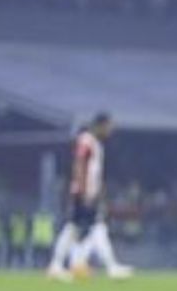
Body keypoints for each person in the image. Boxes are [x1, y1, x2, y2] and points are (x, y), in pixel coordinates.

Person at [46, 112, 133, 280]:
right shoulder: (86, 140)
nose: (110, 131)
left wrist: (97, 192)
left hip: (89, 193)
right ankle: (109, 267)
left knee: (83, 227)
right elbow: (79, 164)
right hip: (83, 193)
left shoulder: (95, 143)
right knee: (84, 227)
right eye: (109, 127)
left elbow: (94, 172)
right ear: (100, 125)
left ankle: (58, 265)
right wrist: (83, 189)